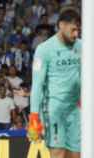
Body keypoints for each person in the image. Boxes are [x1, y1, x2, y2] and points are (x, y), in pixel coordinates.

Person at [29, 8, 81, 158]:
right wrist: (34, 116)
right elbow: (37, 85)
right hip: (54, 110)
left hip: (75, 110)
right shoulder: (44, 50)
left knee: (75, 155)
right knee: (58, 153)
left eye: (78, 30)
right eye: (73, 30)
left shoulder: (82, 46)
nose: (76, 34)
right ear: (61, 25)